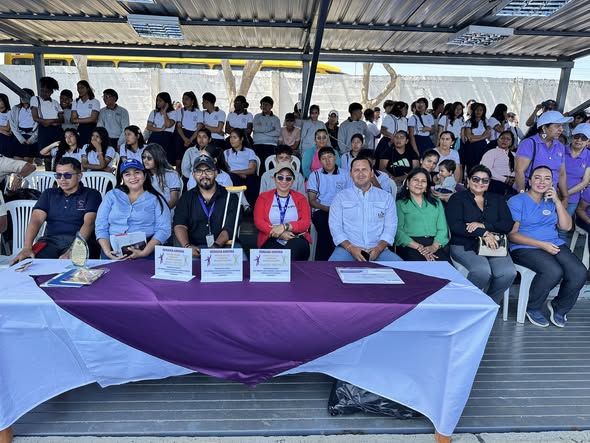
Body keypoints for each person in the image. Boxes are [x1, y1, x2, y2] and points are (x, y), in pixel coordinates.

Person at [508, 165, 586, 328]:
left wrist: (557, 201)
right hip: (525, 247)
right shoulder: (517, 201)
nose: (542, 182)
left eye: (547, 178)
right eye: (537, 177)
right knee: (553, 271)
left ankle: (559, 307)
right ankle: (532, 307)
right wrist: (541, 245)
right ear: (530, 181)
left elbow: (566, 227)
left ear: (552, 183)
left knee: (579, 272)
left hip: (553, 243)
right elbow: (512, 235)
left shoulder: (551, 201)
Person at [10, 157, 102, 263]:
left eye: (67, 175)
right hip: (49, 241)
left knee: (73, 266)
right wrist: (27, 247)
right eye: (58, 175)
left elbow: (89, 223)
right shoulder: (49, 193)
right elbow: (36, 220)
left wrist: (74, 250)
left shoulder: (91, 194)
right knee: (27, 263)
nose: (62, 179)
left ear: (79, 176)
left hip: (81, 242)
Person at [446, 165, 516, 303]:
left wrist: (485, 226)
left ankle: (488, 303)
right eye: (476, 179)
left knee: (508, 273)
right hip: (465, 244)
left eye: (485, 180)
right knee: (482, 271)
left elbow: (507, 224)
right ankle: (468, 305)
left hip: (494, 244)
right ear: (468, 180)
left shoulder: (497, 199)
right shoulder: (457, 198)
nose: (480, 183)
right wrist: (483, 233)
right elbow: (456, 226)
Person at [328, 157, 401, 262]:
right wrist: (350, 248)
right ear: (351, 174)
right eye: (356, 170)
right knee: (329, 270)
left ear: (372, 173)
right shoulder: (340, 198)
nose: (360, 174)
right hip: (347, 250)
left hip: (379, 250)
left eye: (364, 169)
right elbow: (335, 227)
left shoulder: (386, 198)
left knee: (403, 269)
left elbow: (390, 227)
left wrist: (379, 248)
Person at [95, 159, 170, 260]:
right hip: (113, 250)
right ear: (122, 178)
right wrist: (107, 251)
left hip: (146, 250)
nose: (133, 177)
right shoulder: (112, 195)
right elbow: (101, 226)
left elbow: (164, 229)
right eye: (127, 174)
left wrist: (144, 252)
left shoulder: (155, 199)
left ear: (145, 175)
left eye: (137, 172)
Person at [173, 154, 240, 257]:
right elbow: (180, 225)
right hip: (194, 248)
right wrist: (187, 246)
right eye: (199, 171)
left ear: (216, 173)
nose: (204, 175)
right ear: (193, 175)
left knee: (240, 263)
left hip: (224, 247)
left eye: (208, 171)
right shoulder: (186, 198)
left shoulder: (230, 197)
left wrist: (215, 247)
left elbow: (229, 227)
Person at [254, 161, 311, 260]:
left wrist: (285, 226)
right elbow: (259, 221)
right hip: (270, 236)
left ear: (293, 181)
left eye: (288, 178)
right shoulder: (263, 197)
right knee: (274, 255)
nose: (284, 181)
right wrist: (280, 234)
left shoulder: (301, 198)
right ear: (274, 178)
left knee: (293, 249)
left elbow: (305, 223)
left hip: (295, 237)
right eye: (280, 177)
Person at [395, 167, 449, 261]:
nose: (419, 184)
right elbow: (398, 231)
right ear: (408, 182)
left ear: (427, 185)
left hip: (434, 244)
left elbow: (443, 229)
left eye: (423, 181)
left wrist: (434, 247)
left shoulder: (436, 202)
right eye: (415, 180)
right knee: (420, 267)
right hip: (410, 245)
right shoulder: (400, 203)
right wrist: (419, 248)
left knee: (445, 268)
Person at [307, 146, 351, 261]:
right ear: (320, 161)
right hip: (322, 210)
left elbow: (350, 197)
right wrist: (328, 209)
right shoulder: (315, 175)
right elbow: (312, 201)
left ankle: (342, 258)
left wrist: (339, 210)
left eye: (330, 157)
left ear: (335, 158)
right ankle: (325, 261)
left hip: (342, 211)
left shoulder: (346, 174)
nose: (327, 160)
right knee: (325, 225)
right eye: (323, 158)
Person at [514, 110, 570, 196]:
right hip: (529, 194)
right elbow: (519, 170)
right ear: (544, 128)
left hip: (549, 196)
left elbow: (561, 174)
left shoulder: (560, 146)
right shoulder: (529, 143)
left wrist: (565, 196)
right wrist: (522, 195)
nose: (561, 129)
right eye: (557, 126)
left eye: (562, 126)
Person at [560, 122, 590, 240]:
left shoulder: (589, 156)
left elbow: (585, 181)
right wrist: (557, 192)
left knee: (563, 228)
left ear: (588, 141)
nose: (579, 140)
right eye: (577, 136)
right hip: (553, 192)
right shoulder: (561, 150)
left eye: (584, 138)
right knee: (546, 223)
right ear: (572, 137)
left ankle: (559, 250)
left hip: (572, 198)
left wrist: (565, 194)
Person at [31, 76, 63, 171]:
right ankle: (49, 175)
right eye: (42, 90)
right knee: (46, 156)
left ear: (51, 92)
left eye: (47, 91)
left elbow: (61, 119)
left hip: (56, 130)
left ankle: (57, 174)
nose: (44, 93)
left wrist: (49, 121)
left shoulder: (55, 102)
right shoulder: (35, 99)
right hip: (44, 131)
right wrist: (51, 122)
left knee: (58, 154)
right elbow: (35, 117)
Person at [224, 128, 259, 208]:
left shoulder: (249, 152)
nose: (232, 140)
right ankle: (245, 204)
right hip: (233, 176)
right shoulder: (226, 152)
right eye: (230, 137)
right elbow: (226, 168)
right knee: (232, 177)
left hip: (247, 176)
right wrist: (237, 174)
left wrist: (236, 172)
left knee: (253, 179)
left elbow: (252, 170)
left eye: (235, 137)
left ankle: (254, 206)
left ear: (241, 139)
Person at [142, 143, 181, 211]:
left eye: (149, 158)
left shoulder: (171, 174)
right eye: (143, 157)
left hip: (167, 211)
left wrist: (161, 211)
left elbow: (174, 199)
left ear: (158, 158)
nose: (145, 160)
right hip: (148, 211)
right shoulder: (143, 175)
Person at [480, 130, 517, 197]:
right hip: (495, 184)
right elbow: (486, 169)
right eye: (502, 138)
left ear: (511, 143)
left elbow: (519, 169)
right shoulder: (491, 153)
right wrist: (504, 179)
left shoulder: (515, 155)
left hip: (513, 184)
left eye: (508, 139)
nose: (504, 140)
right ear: (497, 140)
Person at [146, 92, 177, 165]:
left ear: (166, 102)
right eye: (157, 100)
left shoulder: (173, 113)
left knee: (165, 159)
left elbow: (168, 125)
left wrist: (164, 112)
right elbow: (149, 127)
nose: (158, 102)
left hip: (167, 137)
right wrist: (160, 129)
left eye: (160, 101)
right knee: (152, 157)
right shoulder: (154, 112)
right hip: (155, 136)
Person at [174, 91, 202, 171]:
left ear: (192, 101)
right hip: (181, 137)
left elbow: (198, 128)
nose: (184, 101)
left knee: (191, 160)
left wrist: (190, 140)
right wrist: (185, 139)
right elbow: (178, 127)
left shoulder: (198, 112)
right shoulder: (180, 111)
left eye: (186, 99)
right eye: (183, 99)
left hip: (193, 137)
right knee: (179, 160)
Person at [9, 88, 38, 162]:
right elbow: (12, 125)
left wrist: (31, 139)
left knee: (28, 161)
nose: (22, 98)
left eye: (24, 96)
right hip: (19, 136)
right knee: (17, 161)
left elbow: (39, 125)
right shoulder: (15, 108)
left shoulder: (36, 109)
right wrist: (21, 139)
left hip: (32, 136)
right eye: (21, 96)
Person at [462, 102, 491, 175]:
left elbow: (488, 134)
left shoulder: (485, 121)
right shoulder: (469, 122)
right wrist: (482, 136)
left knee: (481, 165)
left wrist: (476, 137)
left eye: (481, 110)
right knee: (471, 165)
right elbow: (470, 138)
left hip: (482, 146)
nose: (478, 112)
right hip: (471, 147)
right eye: (476, 110)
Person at [252, 96, 280, 167]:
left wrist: (262, 132)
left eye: (266, 104)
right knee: (258, 166)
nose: (264, 106)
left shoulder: (276, 119)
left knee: (270, 166)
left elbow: (277, 133)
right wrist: (271, 128)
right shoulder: (257, 117)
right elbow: (256, 128)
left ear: (271, 106)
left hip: (271, 145)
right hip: (258, 144)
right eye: (263, 104)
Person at [71, 80, 100, 145]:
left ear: (87, 89)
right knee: (81, 146)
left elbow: (93, 118)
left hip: (92, 128)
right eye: (78, 88)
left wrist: (78, 120)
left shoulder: (94, 101)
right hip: (80, 128)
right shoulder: (76, 102)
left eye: (82, 87)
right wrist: (88, 119)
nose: (79, 90)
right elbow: (73, 119)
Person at [0, 93, 13, 157]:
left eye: (0, 101)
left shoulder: (9, 113)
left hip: (5, 137)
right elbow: (4, 130)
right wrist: (1, 131)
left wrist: (2, 131)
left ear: (4, 101)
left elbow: (7, 128)